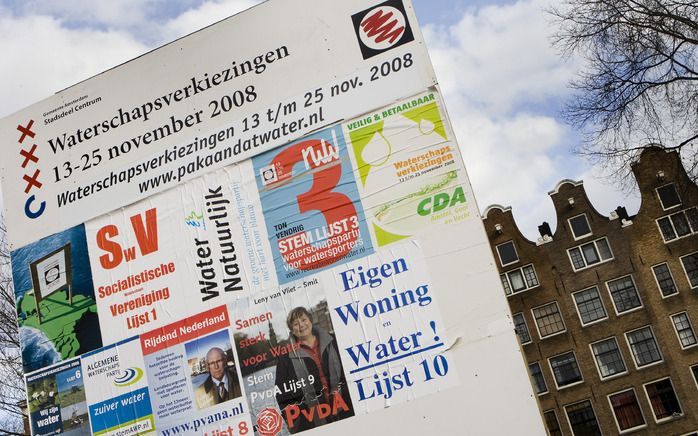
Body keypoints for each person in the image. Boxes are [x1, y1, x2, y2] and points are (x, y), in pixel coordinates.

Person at [275, 307, 353, 433]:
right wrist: (298, 425)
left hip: (346, 409)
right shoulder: (286, 358)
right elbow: (282, 396)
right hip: (313, 421)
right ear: (292, 330)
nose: (301, 325)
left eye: (303, 319)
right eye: (295, 323)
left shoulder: (334, 341)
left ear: (310, 320)